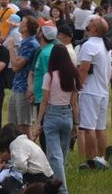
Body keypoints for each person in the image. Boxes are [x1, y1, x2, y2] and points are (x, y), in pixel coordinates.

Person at [34, 42, 79, 193]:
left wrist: (38, 122)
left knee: (55, 157)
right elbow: (74, 103)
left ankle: (62, 190)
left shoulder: (49, 76)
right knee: (61, 157)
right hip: (67, 116)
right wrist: (76, 124)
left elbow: (44, 101)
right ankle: (54, 185)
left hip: (52, 116)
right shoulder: (72, 76)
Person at [76, 14, 111, 170]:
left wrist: (77, 86)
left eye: (90, 22)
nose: (87, 22)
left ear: (94, 29)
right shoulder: (105, 45)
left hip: (90, 91)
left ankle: (91, 162)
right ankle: (101, 159)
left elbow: (83, 69)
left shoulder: (89, 45)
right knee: (100, 127)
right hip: (103, 91)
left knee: (89, 127)